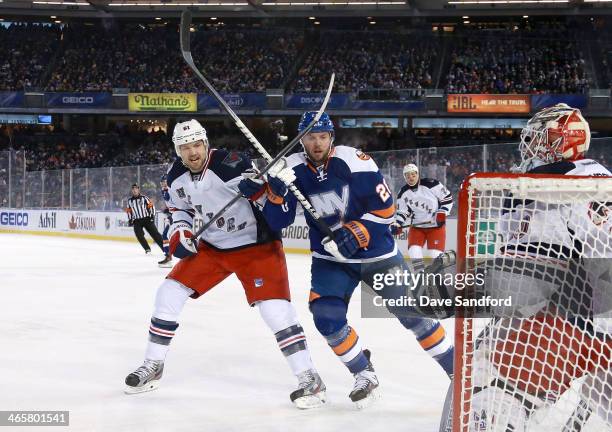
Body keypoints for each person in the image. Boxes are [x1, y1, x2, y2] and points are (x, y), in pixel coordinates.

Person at [239, 112, 454, 409]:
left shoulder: (355, 161)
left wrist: (360, 230)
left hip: (378, 255)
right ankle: (364, 372)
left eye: (322, 137)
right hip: (331, 259)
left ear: (331, 138)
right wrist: (268, 195)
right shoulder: (288, 168)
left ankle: (457, 372)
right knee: (327, 318)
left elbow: (386, 208)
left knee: (413, 313)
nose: (316, 144)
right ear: (301, 140)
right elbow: (279, 221)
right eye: (310, 137)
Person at [125, 119, 326, 410]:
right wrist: (180, 233)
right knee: (168, 293)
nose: (192, 152)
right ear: (177, 150)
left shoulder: (232, 163)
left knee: (275, 312)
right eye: (185, 147)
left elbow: (272, 209)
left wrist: (260, 190)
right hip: (214, 247)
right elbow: (178, 211)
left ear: (206, 143)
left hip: (256, 246)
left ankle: (310, 378)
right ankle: (153, 365)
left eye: (196, 144)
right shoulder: (174, 175)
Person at [464, 104, 612, 431]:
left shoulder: (586, 174)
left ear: (563, 141)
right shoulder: (528, 191)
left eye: (538, 138)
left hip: (580, 317)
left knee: (492, 394)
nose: (529, 146)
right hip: (581, 318)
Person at [391, 164, 453, 260]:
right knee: (413, 251)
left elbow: (447, 198)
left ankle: (438, 275)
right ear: (405, 177)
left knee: (435, 255)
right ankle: (420, 274)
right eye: (407, 175)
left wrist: (442, 212)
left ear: (417, 174)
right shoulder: (402, 192)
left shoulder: (432, 184)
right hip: (417, 227)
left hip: (436, 227)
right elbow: (403, 212)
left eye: (413, 174)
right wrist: (398, 223)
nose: (410, 177)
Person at [125, 184, 165, 255]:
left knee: (155, 235)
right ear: (132, 190)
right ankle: (147, 249)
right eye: (133, 189)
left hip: (147, 219)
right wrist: (130, 219)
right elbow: (129, 211)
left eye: (136, 188)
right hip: (137, 221)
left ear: (138, 190)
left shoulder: (144, 198)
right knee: (139, 235)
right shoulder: (130, 201)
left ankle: (165, 249)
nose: (134, 190)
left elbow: (151, 206)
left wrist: (152, 215)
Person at [157, 174, 173, 268]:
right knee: (166, 235)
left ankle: (168, 257)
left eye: (164, 182)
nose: (163, 183)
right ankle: (168, 256)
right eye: (162, 182)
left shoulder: (171, 189)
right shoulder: (164, 190)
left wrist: (171, 213)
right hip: (174, 215)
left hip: (177, 215)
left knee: (166, 235)